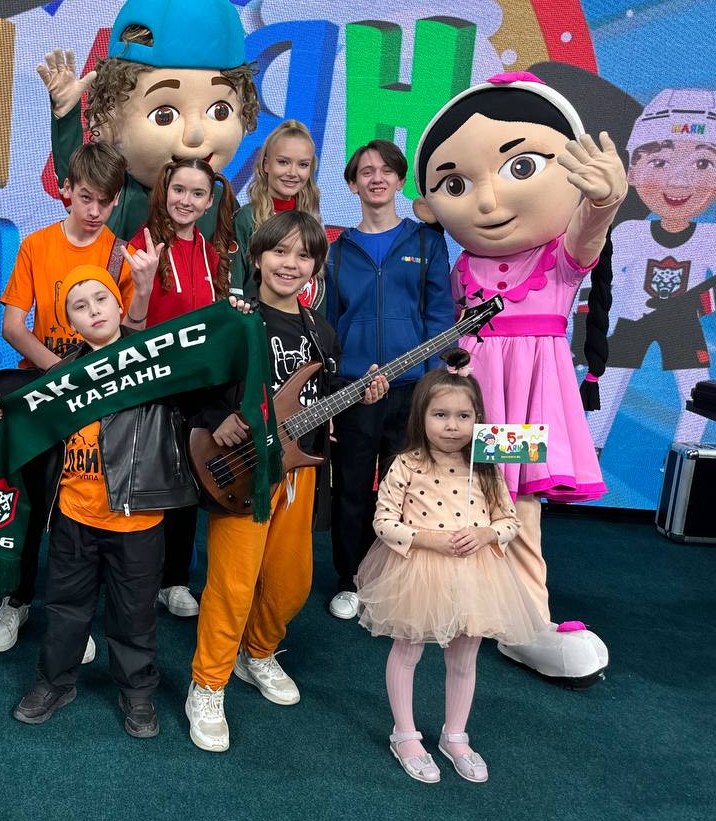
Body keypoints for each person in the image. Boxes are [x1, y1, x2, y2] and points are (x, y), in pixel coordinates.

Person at [412, 73, 625, 684]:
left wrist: (603, 204)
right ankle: (459, 605)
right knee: (459, 498)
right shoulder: (461, 266)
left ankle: (527, 620)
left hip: (523, 402)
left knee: (517, 508)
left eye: (520, 167)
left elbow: (587, 236)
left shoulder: (557, 257)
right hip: (469, 399)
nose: (486, 201)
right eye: (456, 183)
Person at [186, 211, 388, 753]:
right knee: (232, 585)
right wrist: (215, 417)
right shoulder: (234, 318)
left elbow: (320, 402)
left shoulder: (321, 332)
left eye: (304, 255)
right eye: (279, 251)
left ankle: (258, 653)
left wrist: (362, 394)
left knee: (291, 582)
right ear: (257, 257)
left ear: (316, 268)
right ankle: (207, 684)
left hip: (298, 474)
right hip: (245, 472)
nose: (290, 263)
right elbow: (194, 382)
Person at [0, 265, 197, 738]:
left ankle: (137, 689)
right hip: (74, 516)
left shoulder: (151, 362)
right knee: (65, 607)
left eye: (101, 299)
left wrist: (235, 317)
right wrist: (5, 411)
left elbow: (195, 368)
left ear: (119, 304)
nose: (93, 311)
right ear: (71, 322)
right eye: (80, 307)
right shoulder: (62, 376)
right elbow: (32, 420)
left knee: (135, 612)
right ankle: (55, 681)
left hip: (137, 520)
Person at [0, 141, 160, 654]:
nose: (94, 210)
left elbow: (130, 339)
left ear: (116, 199)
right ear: (66, 190)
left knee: (76, 501)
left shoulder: (121, 254)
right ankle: (17, 599)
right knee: (29, 489)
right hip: (48, 386)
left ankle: (75, 617)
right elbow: (13, 327)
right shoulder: (37, 245)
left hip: (101, 397)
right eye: (86, 197)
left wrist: (144, 289)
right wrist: (63, 375)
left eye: (105, 201)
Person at [354, 364, 546, 784]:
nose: (453, 426)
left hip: (476, 575)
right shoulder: (406, 464)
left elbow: (509, 521)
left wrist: (487, 533)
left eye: (464, 416)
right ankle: (404, 734)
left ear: (478, 418)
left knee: (464, 656)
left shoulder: (487, 467)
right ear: (421, 415)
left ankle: (455, 735)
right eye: (440, 414)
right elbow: (383, 523)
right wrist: (429, 540)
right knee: (408, 650)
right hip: (418, 572)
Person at [325, 140, 455, 621]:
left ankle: (398, 581)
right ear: (353, 184)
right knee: (352, 488)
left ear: (400, 181)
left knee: (407, 491)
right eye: (365, 172)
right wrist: (336, 385)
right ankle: (350, 581)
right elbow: (329, 325)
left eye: (385, 171)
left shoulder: (426, 243)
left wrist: (434, 379)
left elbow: (440, 316)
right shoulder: (337, 251)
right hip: (356, 390)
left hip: (413, 390)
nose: (376, 178)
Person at [40, 0, 258, 241]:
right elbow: (79, 183)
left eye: (220, 112)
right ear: (108, 118)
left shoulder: (221, 202)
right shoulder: (118, 195)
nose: (195, 135)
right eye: (164, 115)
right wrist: (66, 115)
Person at [129, 158, 236, 617]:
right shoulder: (141, 244)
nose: (185, 201)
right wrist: (142, 284)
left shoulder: (213, 256)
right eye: (179, 190)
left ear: (209, 202)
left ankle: (174, 580)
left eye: (197, 194)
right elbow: (127, 328)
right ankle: (135, 576)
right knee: (145, 482)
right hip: (149, 386)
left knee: (188, 480)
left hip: (197, 391)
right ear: (164, 191)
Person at [589, 88, 716, 449]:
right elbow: (600, 285)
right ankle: (589, 454)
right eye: (660, 163)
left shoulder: (710, 238)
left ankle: (686, 460)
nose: (679, 181)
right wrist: (588, 333)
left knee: (698, 394)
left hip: (682, 326)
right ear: (632, 170)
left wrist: (692, 305)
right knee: (607, 385)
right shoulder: (630, 233)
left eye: (703, 164)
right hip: (633, 321)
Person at [229, 120, 324, 307]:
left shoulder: (312, 223)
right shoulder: (247, 219)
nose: (292, 172)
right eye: (283, 162)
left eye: (303, 165)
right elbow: (235, 292)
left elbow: (317, 296)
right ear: (266, 165)